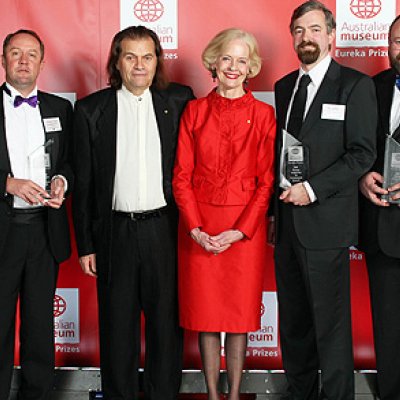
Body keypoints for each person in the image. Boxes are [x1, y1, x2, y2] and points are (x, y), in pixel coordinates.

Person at [72, 25, 194, 400]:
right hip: (115, 233)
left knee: (165, 328)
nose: (139, 65)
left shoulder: (181, 101)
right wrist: (87, 244)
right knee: (117, 330)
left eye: (147, 56)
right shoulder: (92, 110)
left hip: (164, 231)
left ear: (157, 61)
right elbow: (84, 185)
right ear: (117, 62)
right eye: (130, 56)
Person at [270, 1, 377, 399]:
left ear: (331, 36)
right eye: (299, 30)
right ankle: (300, 393)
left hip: (326, 224)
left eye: (315, 30)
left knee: (330, 326)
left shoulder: (354, 85)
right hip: (286, 226)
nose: (306, 38)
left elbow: (362, 154)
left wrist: (311, 189)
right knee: (294, 324)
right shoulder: (284, 87)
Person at [173, 28, 276, 400]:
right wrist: (196, 228)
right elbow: (181, 177)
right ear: (214, 62)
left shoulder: (265, 116)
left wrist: (241, 231)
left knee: (237, 316)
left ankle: (234, 395)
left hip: (243, 231)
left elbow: (266, 183)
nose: (233, 67)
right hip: (199, 225)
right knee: (206, 314)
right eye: (227, 58)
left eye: (242, 60)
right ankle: (213, 394)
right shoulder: (194, 111)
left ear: (251, 68)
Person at [0, 29, 73, 400]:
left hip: (45, 231)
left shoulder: (61, 108)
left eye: (31, 54)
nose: (24, 60)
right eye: (16, 53)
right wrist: (8, 184)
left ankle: (37, 394)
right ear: (4, 60)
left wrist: (61, 181)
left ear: (42, 63)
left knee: (40, 324)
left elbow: (70, 164)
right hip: (5, 230)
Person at [358, 15, 400, 400]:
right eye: (397, 41)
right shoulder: (372, 88)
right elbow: (357, 148)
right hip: (382, 226)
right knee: (388, 327)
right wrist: (362, 177)